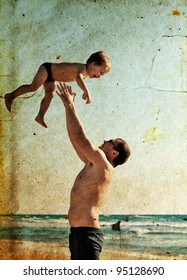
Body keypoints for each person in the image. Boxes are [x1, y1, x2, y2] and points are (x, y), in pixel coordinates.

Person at [56, 82, 131, 260]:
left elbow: (81, 138)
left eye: (109, 141)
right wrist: (68, 109)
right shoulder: (93, 163)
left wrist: (70, 105)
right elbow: (75, 139)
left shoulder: (103, 164)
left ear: (114, 152)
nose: (105, 140)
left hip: (87, 235)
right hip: (78, 234)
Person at [4, 51, 111, 128]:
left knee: (50, 94)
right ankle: (10, 96)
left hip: (52, 77)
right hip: (47, 69)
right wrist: (86, 91)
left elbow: (80, 80)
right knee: (33, 87)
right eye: (100, 72)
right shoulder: (82, 69)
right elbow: (79, 78)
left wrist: (83, 91)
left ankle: (40, 116)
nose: (99, 76)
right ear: (93, 64)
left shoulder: (85, 74)